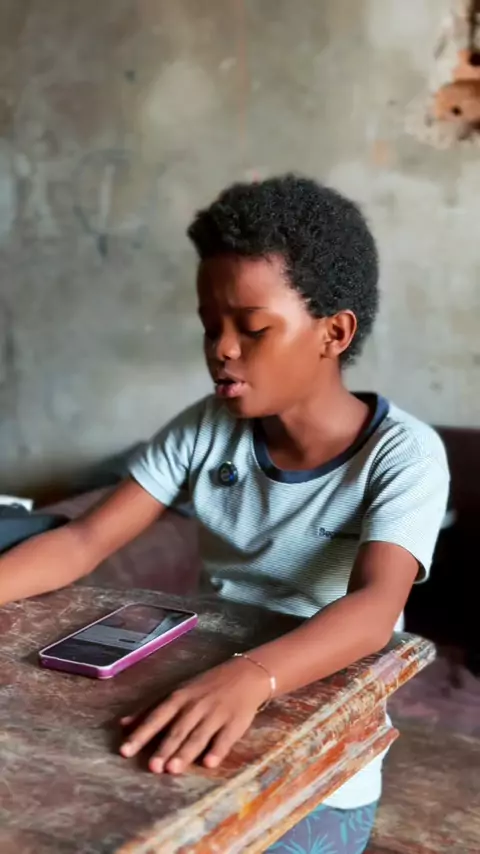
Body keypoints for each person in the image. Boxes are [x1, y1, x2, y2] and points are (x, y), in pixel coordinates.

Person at [0, 175, 449, 853]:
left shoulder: (403, 455)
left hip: (318, 755)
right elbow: (85, 539)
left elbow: (373, 610)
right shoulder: (205, 428)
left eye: (252, 328)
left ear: (334, 332)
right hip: (202, 702)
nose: (222, 348)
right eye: (211, 326)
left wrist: (252, 677)